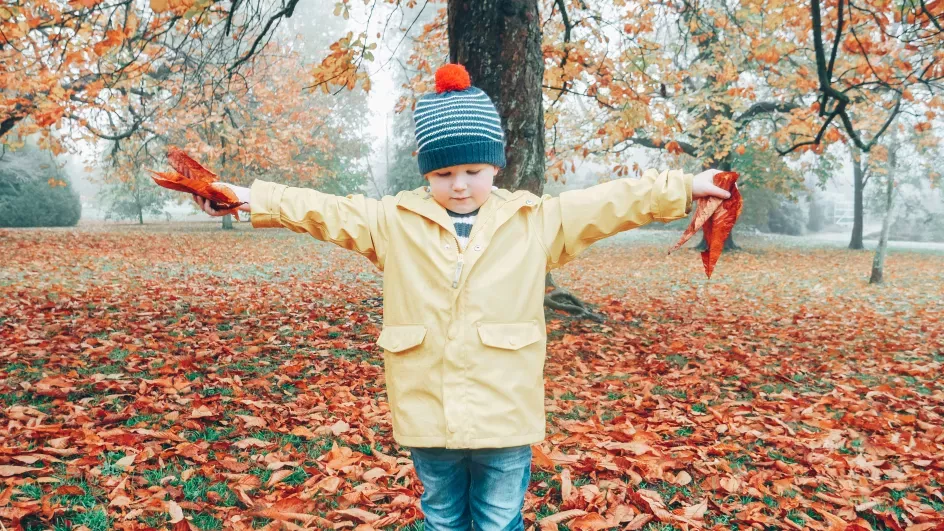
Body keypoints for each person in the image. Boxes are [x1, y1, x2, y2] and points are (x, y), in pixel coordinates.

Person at [192, 63, 731, 531]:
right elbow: (324, 211)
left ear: (495, 164)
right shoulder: (393, 222)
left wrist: (685, 187)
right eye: (444, 173)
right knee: (443, 518)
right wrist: (248, 197)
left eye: (473, 170)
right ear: (427, 171)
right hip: (427, 410)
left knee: (499, 522)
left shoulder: (535, 221)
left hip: (504, 412)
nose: (459, 185)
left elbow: (612, 202)